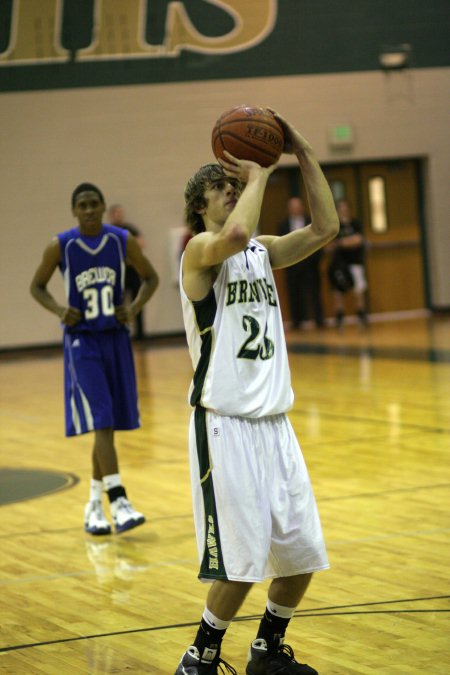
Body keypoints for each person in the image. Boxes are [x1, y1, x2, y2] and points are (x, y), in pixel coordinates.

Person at [176, 112, 339, 675]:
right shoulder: (198, 252)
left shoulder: (262, 254)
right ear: (199, 205)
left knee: (300, 553)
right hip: (225, 424)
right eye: (220, 187)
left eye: (233, 185)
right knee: (240, 565)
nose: (231, 191)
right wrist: (260, 172)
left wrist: (304, 150)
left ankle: (267, 650)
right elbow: (235, 234)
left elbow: (325, 230)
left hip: (276, 424)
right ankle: (198, 658)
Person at [30, 183, 159, 536]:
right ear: (74, 210)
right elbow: (36, 286)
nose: (88, 210)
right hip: (82, 343)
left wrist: (132, 309)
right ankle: (118, 500)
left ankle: (92, 507)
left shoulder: (121, 240)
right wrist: (59, 309)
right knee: (101, 421)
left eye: (93, 203)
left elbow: (151, 278)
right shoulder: (62, 245)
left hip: (116, 340)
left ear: (102, 206)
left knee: (109, 424)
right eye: (82, 205)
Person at [277, 197, 324, 329]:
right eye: (293, 206)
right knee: (293, 293)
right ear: (289, 209)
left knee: (314, 292)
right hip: (291, 266)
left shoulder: (311, 222)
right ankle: (296, 321)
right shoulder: (283, 224)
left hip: (310, 265)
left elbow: (318, 241)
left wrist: (314, 260)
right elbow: (280, 244)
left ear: (302, 207)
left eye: (298, 206)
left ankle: (319, 320)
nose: (295, 208)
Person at [328, 199, 368, 328]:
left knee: (358, 290)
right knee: (338, 291)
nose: (343, 210)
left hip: (355, 262)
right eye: (341, 208)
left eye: (345, 208)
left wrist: (341, 243)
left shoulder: (355, 223)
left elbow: (358, 240)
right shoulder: (334, 227)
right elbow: (330, 245)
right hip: (339, 264)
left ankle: (361, 315)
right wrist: (344, 243)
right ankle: (340, 318)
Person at [108, 204, 146, 339]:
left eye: (120, 212)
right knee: (117, 303)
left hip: (132, 270)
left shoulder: (129, 229)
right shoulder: (109, 231)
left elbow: (141, 242)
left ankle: (140, 334)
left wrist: (127, 244)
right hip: (118, 273)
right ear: (111, 215)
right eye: (116, 213)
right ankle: (117, 330)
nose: (119, 215)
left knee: (137, 300)